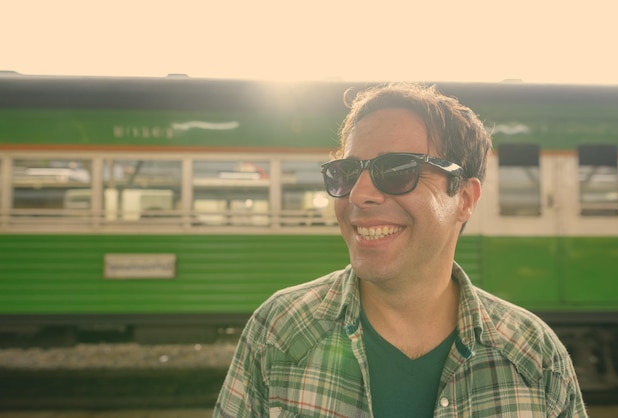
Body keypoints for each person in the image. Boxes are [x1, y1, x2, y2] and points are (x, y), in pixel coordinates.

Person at [214, 82, 588, 417]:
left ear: (465, 198)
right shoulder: (278, 331)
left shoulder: (536, 359)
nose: (359, 195)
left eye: (397, 170)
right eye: (346, 173)